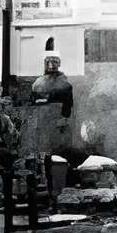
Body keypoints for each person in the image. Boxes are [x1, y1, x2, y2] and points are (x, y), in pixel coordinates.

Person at [21, 53, 74, 200]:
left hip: (57, 128)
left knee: (58, 159)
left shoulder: (64, 84)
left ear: (59, 63)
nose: (51, 65)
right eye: (48, 61)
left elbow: (68, 108)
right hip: (42, 126)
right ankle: (47, 190)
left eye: (54, 61)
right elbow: (32, 104)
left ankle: (58, 192)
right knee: (43, 159)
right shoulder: (38, 83)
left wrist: (63, 121)